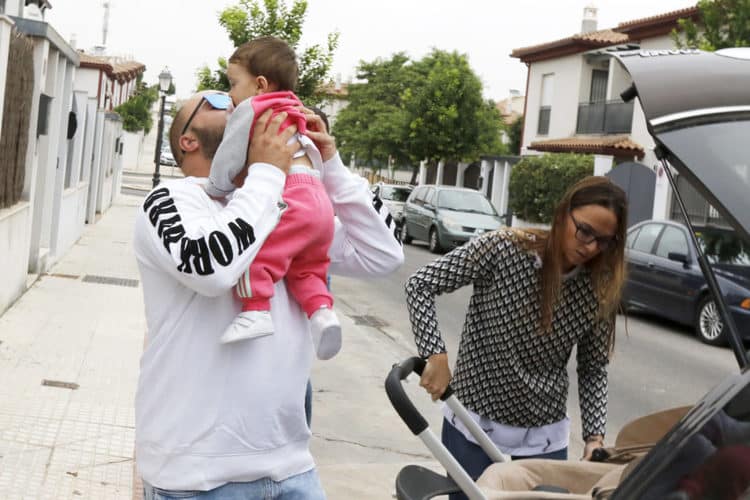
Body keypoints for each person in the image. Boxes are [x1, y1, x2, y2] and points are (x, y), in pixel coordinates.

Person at [134, 89, 403, 499]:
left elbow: (383, 254)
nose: (233, 102)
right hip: (197, 478)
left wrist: (330, 166)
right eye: (216, 102)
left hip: (292, 468)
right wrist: (266, 173)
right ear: (188, 140)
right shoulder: (170, 201)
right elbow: (210, 267)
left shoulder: (284, 206)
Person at [405, 176, 627, 499]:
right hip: (474, 418)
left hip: (544, 431)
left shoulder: (599, 287)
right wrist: (434, 354)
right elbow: (420, 285)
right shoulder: (502, 249)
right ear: (564, 214)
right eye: (585, 231)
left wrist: (594, 437)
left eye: (604, 241)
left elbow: (593, 367)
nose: (590, 246)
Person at [206, 37, 340, 360]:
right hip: (319, 203)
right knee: (307, 268)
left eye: (233, 83)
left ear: (260, 84)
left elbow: (229, 156)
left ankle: (255, 310)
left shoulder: (252, 108)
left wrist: (214, 187)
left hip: (291, 196)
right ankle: (322, 314)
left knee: (256, 253)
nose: (230, 94)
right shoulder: (296, 108)